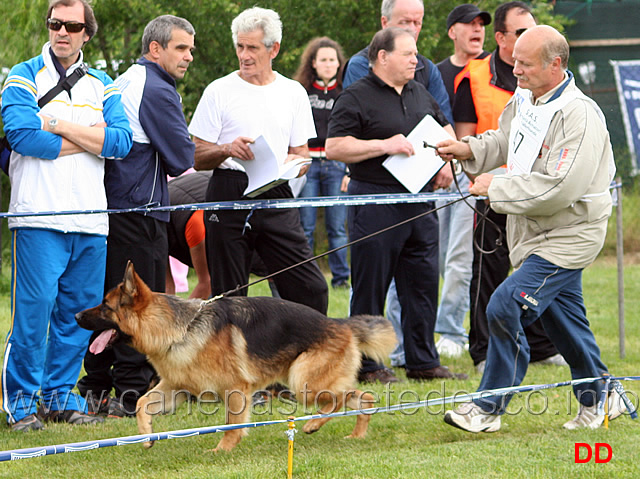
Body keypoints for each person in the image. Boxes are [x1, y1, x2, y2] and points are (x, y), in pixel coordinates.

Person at [438, 25, 625, 432]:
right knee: (564, 323)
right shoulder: (527, 98)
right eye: (514, 60)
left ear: (555, 65)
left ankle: (487, 408)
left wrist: (496, 186)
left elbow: (562, 186)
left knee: (505, 304)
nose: (515, 69)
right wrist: (470, 150)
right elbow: (507, 140)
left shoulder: (580, 114)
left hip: (569, 236)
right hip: (531, 231)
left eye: (524, 63)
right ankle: (603, 394)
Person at [0, 0, 132, 431]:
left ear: (86, 33)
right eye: (55, 23)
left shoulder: (102, 83)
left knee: (77, 315)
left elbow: (121, 142)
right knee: (34, 313)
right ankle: (20, 404)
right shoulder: (21, 75)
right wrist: (91, 138)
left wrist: (56, 125)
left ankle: (60, 396)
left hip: (91, 220)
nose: (62, 31)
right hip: (38, 215)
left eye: (72, 25)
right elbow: (22, 136)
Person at [326, 27, 467, 383]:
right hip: (375, 202)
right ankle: (367, 365)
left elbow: (443, 129)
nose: (415, 60)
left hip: (419, 202)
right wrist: (384, 145)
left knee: (421, 285)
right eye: (407, 54)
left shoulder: (420, 91)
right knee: (370, 284)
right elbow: (336, 148)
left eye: (415, 54)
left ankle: (423, 361)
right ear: (382, 57)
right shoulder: (354, 96)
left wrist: (446, 163)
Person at [76, 14, 196, 416]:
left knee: (110, 302)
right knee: (134, 307)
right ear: (155, 48)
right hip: (138, 210)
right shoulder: (158, 89)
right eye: (181, 48)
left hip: (115, 205)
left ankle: (94, 385)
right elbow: (182, 158)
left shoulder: (128, 78)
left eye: (191, 49)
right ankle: (129, 394)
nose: (189, 57)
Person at [189, 7, 328, 314]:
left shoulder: (293, 93)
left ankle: (302, 358)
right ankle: (231, 362)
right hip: (228, 189)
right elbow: (197, 157)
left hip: (276, 190)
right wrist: (227, 149)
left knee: (312, 289)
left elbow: (303, 155)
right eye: (240, 46)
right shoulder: (219, 91)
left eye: (252, 47)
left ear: (273, 48)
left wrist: (295, 164)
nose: (244, 55)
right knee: (230, 301)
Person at [452, 2, 563, 373]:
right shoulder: (473, 75)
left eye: (532, 29)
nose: (527, 38)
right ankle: (483, 350)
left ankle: (543, 345)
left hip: (535, 190)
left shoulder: (547, 72)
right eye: (519, 32)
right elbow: (470, 136)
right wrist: (475, 173)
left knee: (540, 266)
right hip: (492, 189)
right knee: (488, 270)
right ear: (501, 38)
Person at [433, 4, 491, 358]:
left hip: (476, 175)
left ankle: (451, 331)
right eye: (468, 24)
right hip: (438, 177)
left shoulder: (492, 69)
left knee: (460, 258)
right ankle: (434, 329)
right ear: (452, 31)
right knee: (434, 258)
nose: (476, 30)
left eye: (481, 25)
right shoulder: (435, 72)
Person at [293, 37, 350, 289]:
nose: (328, 64)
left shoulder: (346, 93)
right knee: (304, 227)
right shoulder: (301, 92)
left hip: (337, 165)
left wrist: (350, 169)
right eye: (323, 60)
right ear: (313, 63)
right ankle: (308, 277)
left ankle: (340, 279)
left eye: (332, 60)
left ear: (339, 64)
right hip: (308, 165)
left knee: (336, 227)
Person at [166, 170, 212, 300]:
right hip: (187, 199)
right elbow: (167, 288)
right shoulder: (153, 229)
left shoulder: (195, 225)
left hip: (242, 208)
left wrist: (183, 320)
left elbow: (206, 283)